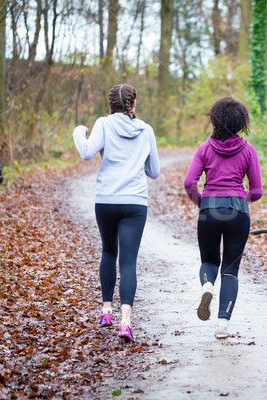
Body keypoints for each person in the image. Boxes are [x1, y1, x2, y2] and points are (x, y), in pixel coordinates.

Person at [73, 83, 160, 343]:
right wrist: (137, 160)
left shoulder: (103, 123)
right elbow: (154, 171)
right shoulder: (146, 130)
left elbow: (87, 152)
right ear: (134, 104)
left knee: (109, 251)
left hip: (107, 200)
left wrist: (79, 131)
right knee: (129, 261)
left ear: (111, 105)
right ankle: (126, 323)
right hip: (135, 202)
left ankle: (106, 311)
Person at [184, 96, 262, 339]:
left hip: (209, 210)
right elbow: (257, 191)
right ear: (241, 123)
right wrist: (242, 199)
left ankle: (207, 285)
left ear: (215, 120)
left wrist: (202, 202)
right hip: (237, 211)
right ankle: (222, 325)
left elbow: (189, 183)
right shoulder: (248, 150)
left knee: (209, 261)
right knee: (230, 269)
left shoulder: (204, 148)